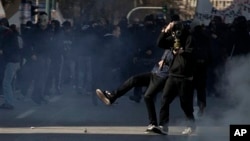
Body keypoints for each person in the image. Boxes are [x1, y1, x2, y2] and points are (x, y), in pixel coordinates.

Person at [95, 49, 173, 134]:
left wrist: (167, 59)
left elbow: (177, 61)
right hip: (155, 73)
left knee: (150, 97)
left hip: (164, 76)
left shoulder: (179, 47)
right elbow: (161, 42)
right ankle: (112, 97)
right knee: (134, 80)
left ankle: (158, 125)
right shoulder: (169, 43)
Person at [156, 15, 196, 135]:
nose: (177, 32)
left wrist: (182, 51)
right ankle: (163, 125)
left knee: (185, 103)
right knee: (165, 100)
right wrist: (165, 31)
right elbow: (160, 43)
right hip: (173, 75)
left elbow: (192, 52)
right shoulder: (173, 39)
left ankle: (191, 125)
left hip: (185, 77)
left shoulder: (189, 37)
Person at [0, 19, 22, 109]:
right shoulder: (13, 34)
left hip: (12, 61)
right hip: (15, 61)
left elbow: (8, 48)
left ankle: (9, 102)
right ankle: (9, 100)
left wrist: (3, 51)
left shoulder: (8, 35)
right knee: (9, 82)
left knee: (6, 82)